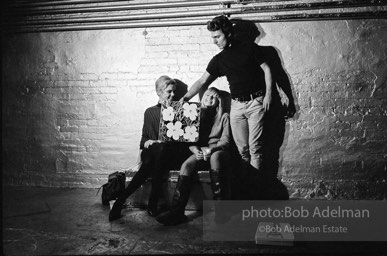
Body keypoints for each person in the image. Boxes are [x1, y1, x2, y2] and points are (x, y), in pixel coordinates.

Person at [180, 15, 276, 172]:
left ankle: (256, 190)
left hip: (255, 103)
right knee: (242, 150)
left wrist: (269, 95)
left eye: (217, 36)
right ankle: (247, 189)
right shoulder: (219, 59)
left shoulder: (250, 48)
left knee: (255, 149)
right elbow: (202, 81)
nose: (214, 41)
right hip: (236, 106)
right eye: (213, 37)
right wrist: (185, 98)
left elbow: (267, 69)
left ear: (228, 33)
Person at [109, 75, 190, 221]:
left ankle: (120, 201)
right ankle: (153, 201)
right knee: (156, 151)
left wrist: (161, 142)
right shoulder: (150, 111)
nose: (173, 95)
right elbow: (144, 139)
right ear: (159, 92)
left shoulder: (180, 111)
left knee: (154, 158)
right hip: (152, 153)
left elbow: (182, 141)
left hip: (168, 155)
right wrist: (149, 142)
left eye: (174, 92)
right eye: (169, 92)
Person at [156, 87, 232, 225]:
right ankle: (177, 212)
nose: (210, 98)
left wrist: (212, 150)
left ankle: (222, 210)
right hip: (202, 151)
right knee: (186, 165)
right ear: (203, 98)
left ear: (218, 101)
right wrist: (195, 150)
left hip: (218, 151)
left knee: (215, 158)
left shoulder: (224, 116)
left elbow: (226, 141)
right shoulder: (195, 114)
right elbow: (189, 140)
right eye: (208, 95)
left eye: (214, 97)